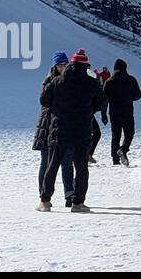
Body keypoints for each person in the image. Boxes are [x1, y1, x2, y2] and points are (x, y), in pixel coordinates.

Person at [39, 50, 105, 212]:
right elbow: (102, 102)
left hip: (59, 130)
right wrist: (88, 110)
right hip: (81, 131)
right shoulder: (91, 83)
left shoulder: (57, 81)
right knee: (81, 167)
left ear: (71, 64)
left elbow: (45, 101)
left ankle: (45, 201)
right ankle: (77, 203)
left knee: (52, 165)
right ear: (85, 66)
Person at [33, 52, 70, 209]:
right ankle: (43, 196)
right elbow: (45, 104)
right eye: (60, 65)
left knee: (67, 162)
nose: (63, 67)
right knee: (46, 163)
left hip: (65, 127)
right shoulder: (49, 81)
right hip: (48, 127)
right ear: (55, 66)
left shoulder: (70, 81)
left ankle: (70, 195)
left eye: (65, 64)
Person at [104, 58, 141, 165]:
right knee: (129, 133)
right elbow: (138, 95)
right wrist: (129, 97)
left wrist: (103, 114)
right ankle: (123, 149)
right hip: (127, 111)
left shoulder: (109, 81)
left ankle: (115, 160)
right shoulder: (131, 80)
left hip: (114, 113)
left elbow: (104, 99)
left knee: (115, 135)